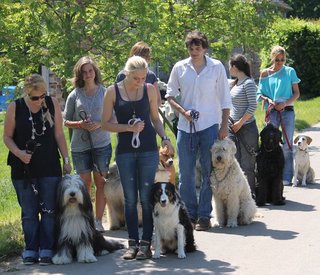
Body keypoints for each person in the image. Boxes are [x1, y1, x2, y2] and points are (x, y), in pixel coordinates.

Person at [101, 55, 174, 260]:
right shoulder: (112, 92)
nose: (140, 82)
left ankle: (146, 243)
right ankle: (132, 243)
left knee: (145, 198)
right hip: (125, 151)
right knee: (130, 199)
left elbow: (155, 119)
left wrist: (165, 138)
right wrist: (127, 127)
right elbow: (104, 123)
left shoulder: (149, 90)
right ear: (127, 74)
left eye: (143, 78)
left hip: (148, 150)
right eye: (136, 79)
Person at [166, 30, 232, 231]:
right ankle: (189, 214)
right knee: (185, 174)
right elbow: (170, 95)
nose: (194, 51)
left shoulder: (216, 67)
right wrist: (182, 111)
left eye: (198, 48)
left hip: (210, 126)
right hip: (185, 128)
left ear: (205, 48)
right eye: (191, 48)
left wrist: (223, 126)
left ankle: (204, 215)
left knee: (208, 172)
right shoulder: (180, 68)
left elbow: (225, 98)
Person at [3, 74, 72, 265]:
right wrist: (19, 153)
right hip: (23, 169)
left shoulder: (51, 104)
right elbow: (7, 137)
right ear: (27, 93)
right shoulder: (15, 107)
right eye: (36, 97)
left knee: (49, 210)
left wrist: (66, 160)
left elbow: (59, 134)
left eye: (43, 95)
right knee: (29, 211)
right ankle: (31, 249)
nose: (40, 100)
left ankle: (47, 248)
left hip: (49, 165)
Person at [63, 56, 112, 231]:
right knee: (84, 185)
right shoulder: (74, 94)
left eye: (90, 71)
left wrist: (99, 124)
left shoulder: (105, 92)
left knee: (101, 183)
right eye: (84, 72)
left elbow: (112, 118)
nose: (88, 74)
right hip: (80, 146)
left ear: (95, 72)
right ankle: (87, 219)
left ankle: (98, 221)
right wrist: (80, 124)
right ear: (80, 75)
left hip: (101, 144)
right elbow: (66, 121)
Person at [257, 45, 300, 186]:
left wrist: (286, 103)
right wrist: (268, 100)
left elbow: (296, 93)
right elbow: (259, 93)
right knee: (270, 143)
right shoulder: (265, 73)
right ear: (272, 58)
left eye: (282, 59)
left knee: (287, 145)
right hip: (272, 111)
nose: (280, 62)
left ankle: (287, 176)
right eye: (277, 59)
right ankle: (271, 174)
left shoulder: (290, 71)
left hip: (287, 112)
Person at [228, 54, 259, 197]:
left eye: (230, 66)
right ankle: (239, 195)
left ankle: (250, 194)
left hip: (246, 128)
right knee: (237, 163)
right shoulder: (235, 83)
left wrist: (240, 123)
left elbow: (253, 106)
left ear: (235, 67)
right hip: (233, 128)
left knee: (248, 165)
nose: (229, 69)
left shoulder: (249, 83)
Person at [116, 41, 162, 107]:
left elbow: (158, 100)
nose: (147, 59)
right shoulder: (122, 75)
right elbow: (117, 98)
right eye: (144, 56)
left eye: (148, 56)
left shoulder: (151, 76)